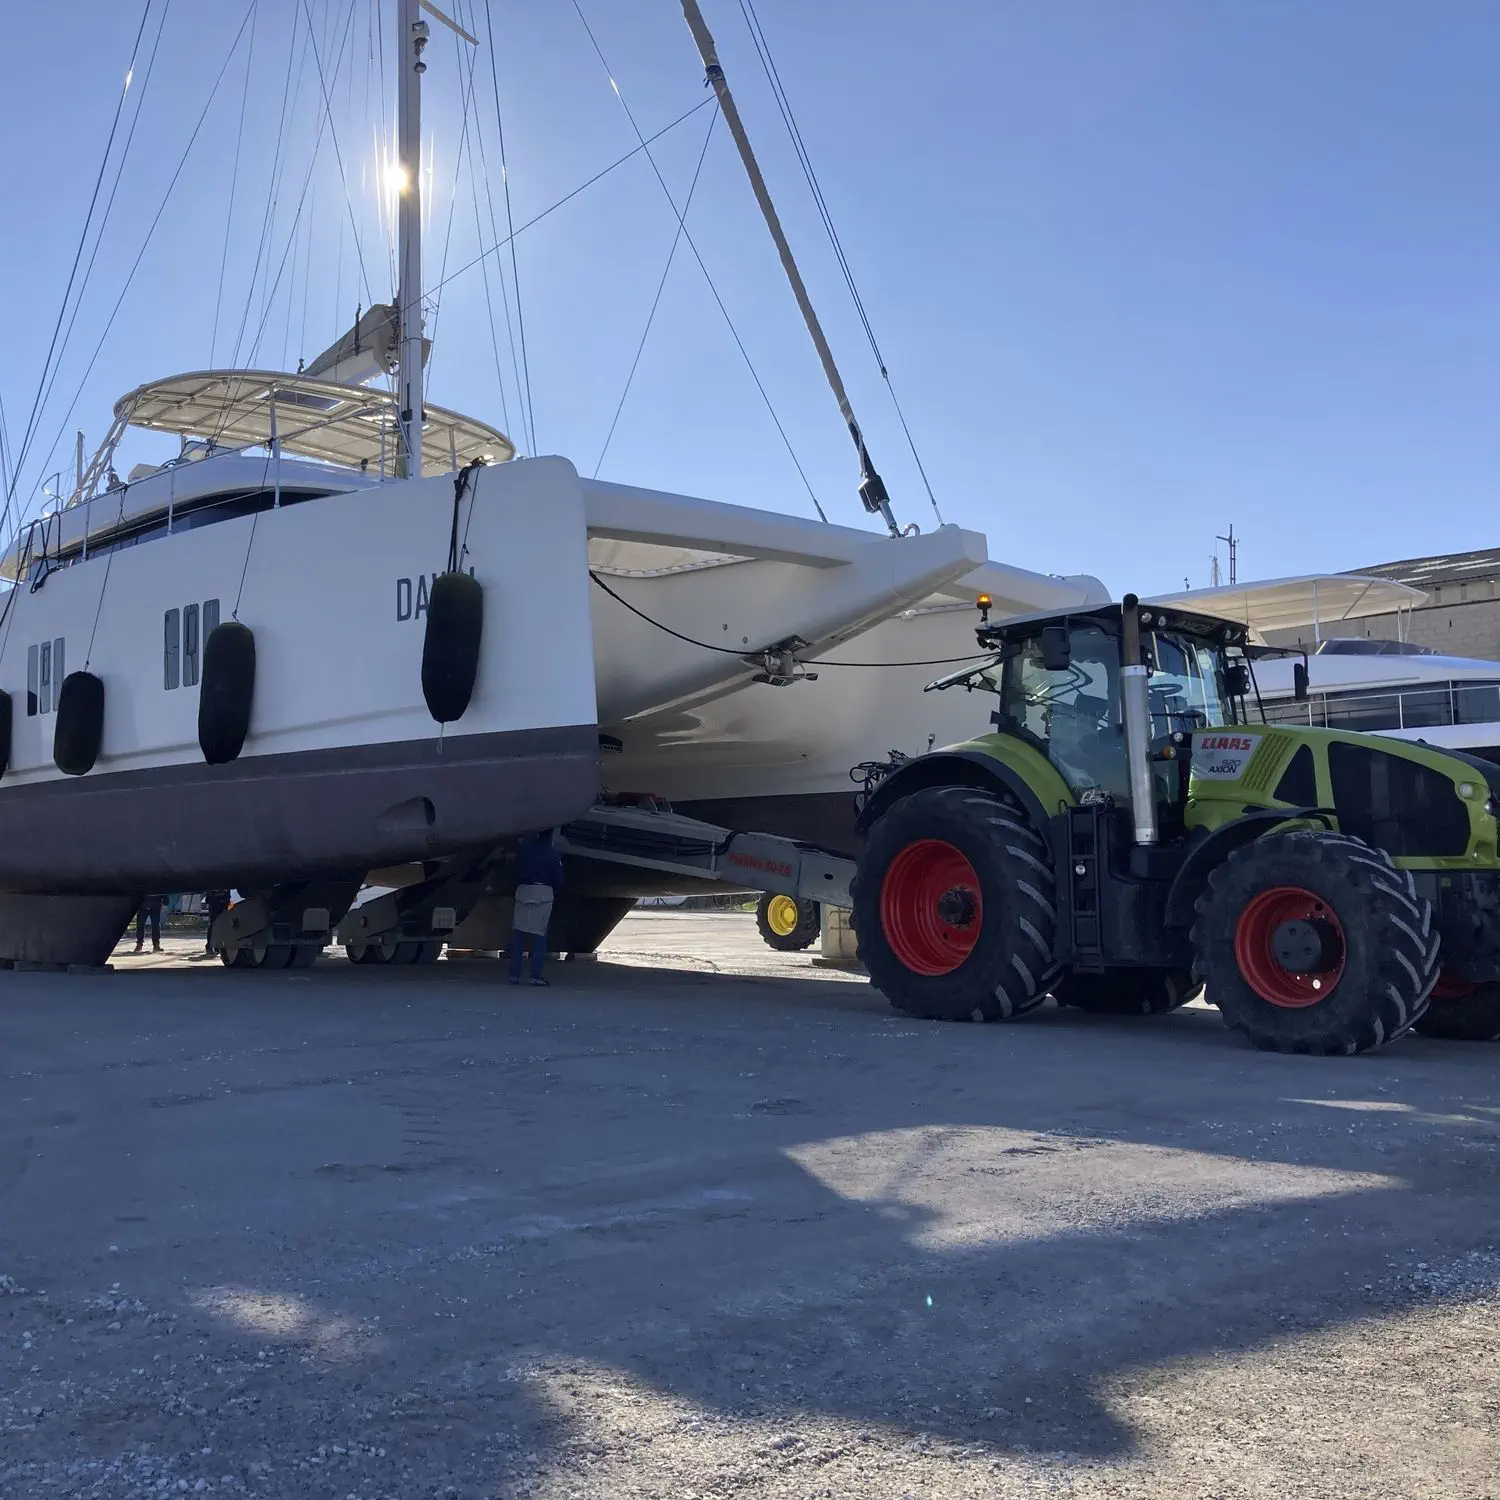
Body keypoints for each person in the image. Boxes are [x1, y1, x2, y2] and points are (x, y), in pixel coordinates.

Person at [508, 831, 564, 986]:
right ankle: (535, 975)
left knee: (519, 934)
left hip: (523, 890)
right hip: (543, 892)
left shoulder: (524, 849)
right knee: (540, 936)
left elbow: (515, 870)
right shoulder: (553, 853)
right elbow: (559, 878)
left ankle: (514, 974)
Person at [202, 889, 230, 957]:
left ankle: (218, 947)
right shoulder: (212, 887)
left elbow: (228, 897)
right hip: (214, 908)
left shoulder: (226, 887)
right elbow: (207, 899)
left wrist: (225, 902)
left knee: (222, 928)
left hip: (222, 908)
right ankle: (209, 946)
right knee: (212, 927)